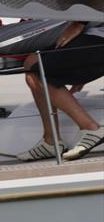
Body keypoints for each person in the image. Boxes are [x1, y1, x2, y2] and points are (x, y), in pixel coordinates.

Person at [17, 21, 104, 161]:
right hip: (93, 34)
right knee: (31, 63)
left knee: (41, 71)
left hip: (98, 38)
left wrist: (79, 22)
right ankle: (51, 141)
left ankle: (91, 128)